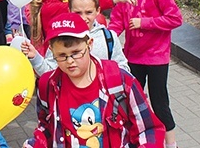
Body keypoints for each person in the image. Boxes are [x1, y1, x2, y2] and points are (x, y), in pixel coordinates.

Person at [22, 13, 166, 148]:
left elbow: (148, 129)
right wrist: (34, 143)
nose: (70, 61)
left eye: (76, 53)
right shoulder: (48, 84)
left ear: (89, 44)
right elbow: (46, 126)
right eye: (61, 55)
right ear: (52, 51)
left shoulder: (120, 80)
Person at [107, 0, 183, 148]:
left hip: (156, 57)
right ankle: (137, 140)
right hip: (132, 56)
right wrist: (108, 38)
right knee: (132, 102)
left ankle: (171, 143)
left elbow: (175, 19)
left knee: (159, 103)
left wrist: (145, 23)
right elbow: (117, 20)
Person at [22, 0, 130, 77]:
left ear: (98, 11)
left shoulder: (108, 37)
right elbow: (50, 72)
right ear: (69, 10)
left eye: (88, 12)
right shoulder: (60, 37)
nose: (83, 18)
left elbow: (123, 69)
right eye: (77, 13)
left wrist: (104, 76)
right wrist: (35, 57)